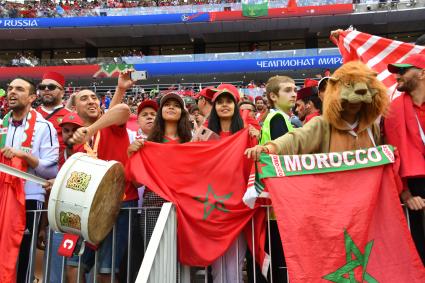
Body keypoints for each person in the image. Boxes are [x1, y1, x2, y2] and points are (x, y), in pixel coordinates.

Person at [245, 61, 389, 159]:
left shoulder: (372, 128)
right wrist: (268, 148)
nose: (355, 103)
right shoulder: (322, 124)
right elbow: (296, 139)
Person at [65, 89, 134, 283]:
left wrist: (90, 130)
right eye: (84, 98)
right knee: (73, 267)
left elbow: (123, 109)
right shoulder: (76, 145)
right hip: (89, 210)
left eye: (94, 97)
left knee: (106, 271)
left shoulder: (110, 126)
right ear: (74, 108)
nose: (91, 101)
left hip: (120, 204)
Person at [1, 77, 59, 283]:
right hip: (1, 198)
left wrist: (25, 157)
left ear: (33, 97)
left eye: (19, 89)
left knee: (23, 255)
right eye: (10, 88)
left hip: (30, 197)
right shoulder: (1, 124)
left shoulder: (45, 128)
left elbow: (51, 169)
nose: (12, 92)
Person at [128, 92, 192, 251]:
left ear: (182, 113)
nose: (172, 107)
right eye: (167, 104)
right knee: (154, 260)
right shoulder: (147, 144)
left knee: (181, 262)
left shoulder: (190, 144)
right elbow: (137, 183)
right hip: (153, 208)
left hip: (183, 210)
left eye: (177, 105)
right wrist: (131, 155)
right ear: (161, 111)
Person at [385, 53, 425, 264]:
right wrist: (406, 194)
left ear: (422, 74)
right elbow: (392, 156)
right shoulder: (392, 110)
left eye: (403, 71)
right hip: (416, 189)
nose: (397, 76)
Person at [205, 83, 246, 283]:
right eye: (219, 102)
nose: (224, 105)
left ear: (236, 105)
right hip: (213, 207)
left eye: (229, 101)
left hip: (238, 208)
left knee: (236, 263)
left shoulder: (248, 135)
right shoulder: (204, 137)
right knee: (217, 265)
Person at [39, 112, 84, 283]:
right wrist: (44, 226)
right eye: (66, 130)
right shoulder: (56, 156)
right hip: (57, 223)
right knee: (54, 273)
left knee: (79, 272)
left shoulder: (90, 154)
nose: (71, 134)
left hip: (81, 224)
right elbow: (47, 193)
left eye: (75, 130)